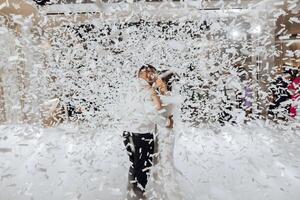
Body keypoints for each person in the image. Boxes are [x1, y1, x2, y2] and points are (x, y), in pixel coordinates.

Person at [122, 65, 168, 200]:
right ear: (148, 74)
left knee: (134, 165)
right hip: (142, 134)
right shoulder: (148, 90)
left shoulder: (129, 87)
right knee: (144, 167)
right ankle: (138, 196)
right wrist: (167, 122)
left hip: (127, 132)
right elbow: (155, 111)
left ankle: (131, 193)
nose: (155, 76)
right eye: (154, 74)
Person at [146, 70, 184, 200]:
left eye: (158, 79)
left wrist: (152, 91)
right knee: (159, 161)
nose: (156, 80)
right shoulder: (165, 95)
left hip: (165, 132)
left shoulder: (167, 96)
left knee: (166, 161)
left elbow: (157, 110)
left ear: (164, 81)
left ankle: (170, 193)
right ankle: (159, 191)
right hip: (161, 131)